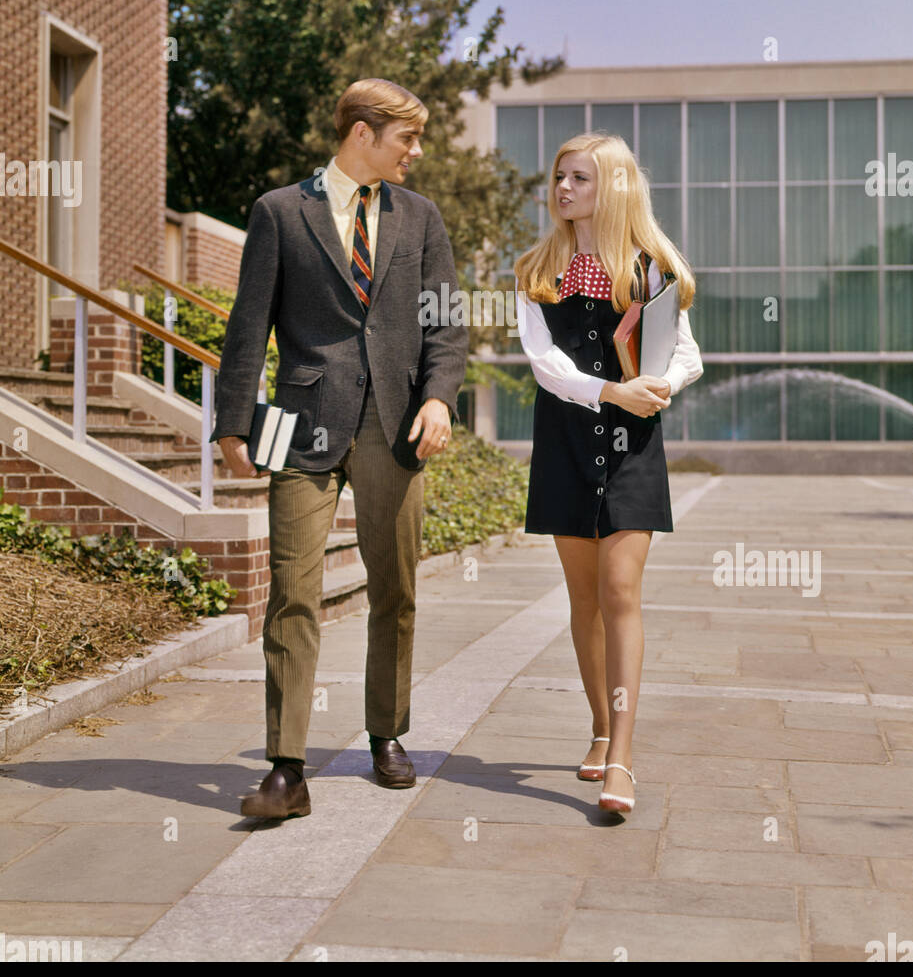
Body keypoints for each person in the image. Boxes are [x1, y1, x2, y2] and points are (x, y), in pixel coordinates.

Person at [211, 78, 468, 819]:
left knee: (396, 589)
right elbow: (247, 323)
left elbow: (445, 323)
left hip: (396, 427)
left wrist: (438, 397)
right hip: (300, 421)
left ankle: (386, 731)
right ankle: (286, 769)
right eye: (406, 139)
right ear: (362, 132)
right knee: (292, 591)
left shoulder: (421, 218)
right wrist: (233, 422)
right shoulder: (279, 213)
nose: (415, 153)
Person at [514, 133, 703, 816]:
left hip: (631, 449)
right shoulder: (537, 268)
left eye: (579, 179)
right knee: (584, 599)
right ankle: (597, 724)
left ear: (615, 187)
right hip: (565, 441)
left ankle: (620, 755)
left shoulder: (653, 268)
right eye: (560, 177)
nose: (563, 189)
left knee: (620, 590)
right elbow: (543, 363)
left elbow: (688, 354)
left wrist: (663, 383)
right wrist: (608, 392)